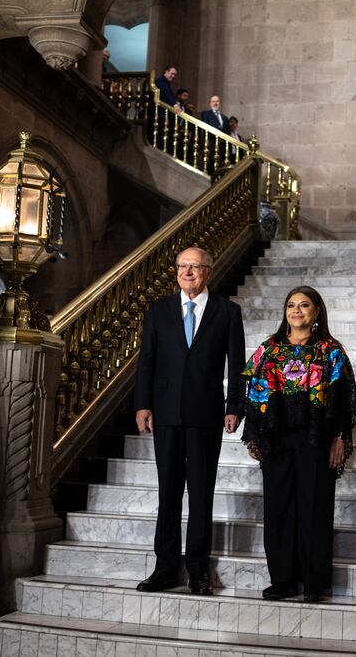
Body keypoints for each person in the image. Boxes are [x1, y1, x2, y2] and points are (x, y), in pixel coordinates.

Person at [134, 247, 246, 596]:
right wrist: (143, 404)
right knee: (168, 492)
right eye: (182, 266)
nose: (187, 272)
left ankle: (198, 570)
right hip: (165, 413)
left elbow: (237, 362)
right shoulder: (159, 310)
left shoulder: (228, 312)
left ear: (208, 272)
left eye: (195, 267)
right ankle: (165, 568)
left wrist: (234, 407)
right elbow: (147, 361)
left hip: (206, 414)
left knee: (201, 493)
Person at [240, 286, 356, 602]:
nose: (296, 310)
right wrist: (254, 434)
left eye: (304, 305)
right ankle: (282, 580)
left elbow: (345, 400)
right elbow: (248, 384)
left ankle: (314, 582)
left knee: (315, 508)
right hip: (277, 438)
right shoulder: (268, 349)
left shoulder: (331, 351)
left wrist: (339, 438)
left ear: (316, 311)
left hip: (316, 439)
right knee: (278, 509)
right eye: (291, 305)